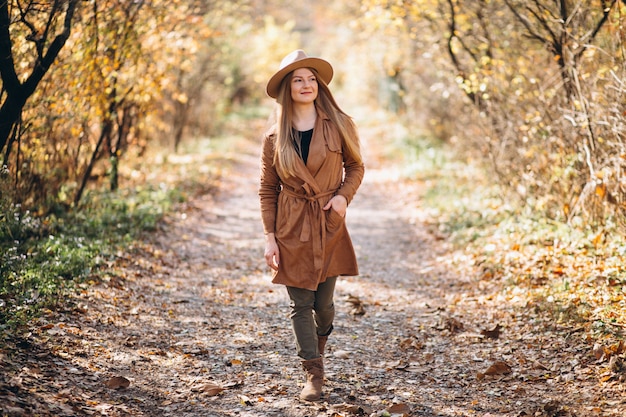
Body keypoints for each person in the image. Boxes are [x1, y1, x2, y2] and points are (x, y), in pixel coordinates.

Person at [258, 49, 365, 401]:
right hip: (291, 226)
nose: (307, 85)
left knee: (324, 304)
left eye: (311, 79)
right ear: (287, 89)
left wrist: (343, 198)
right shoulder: (275, 137)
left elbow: (356, 167)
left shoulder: (340, 124)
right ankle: (313, 374)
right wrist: (270, 237)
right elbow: (267, 190)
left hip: (329, 223)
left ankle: (322, 339)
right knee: (300, 303)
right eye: (298, 80)